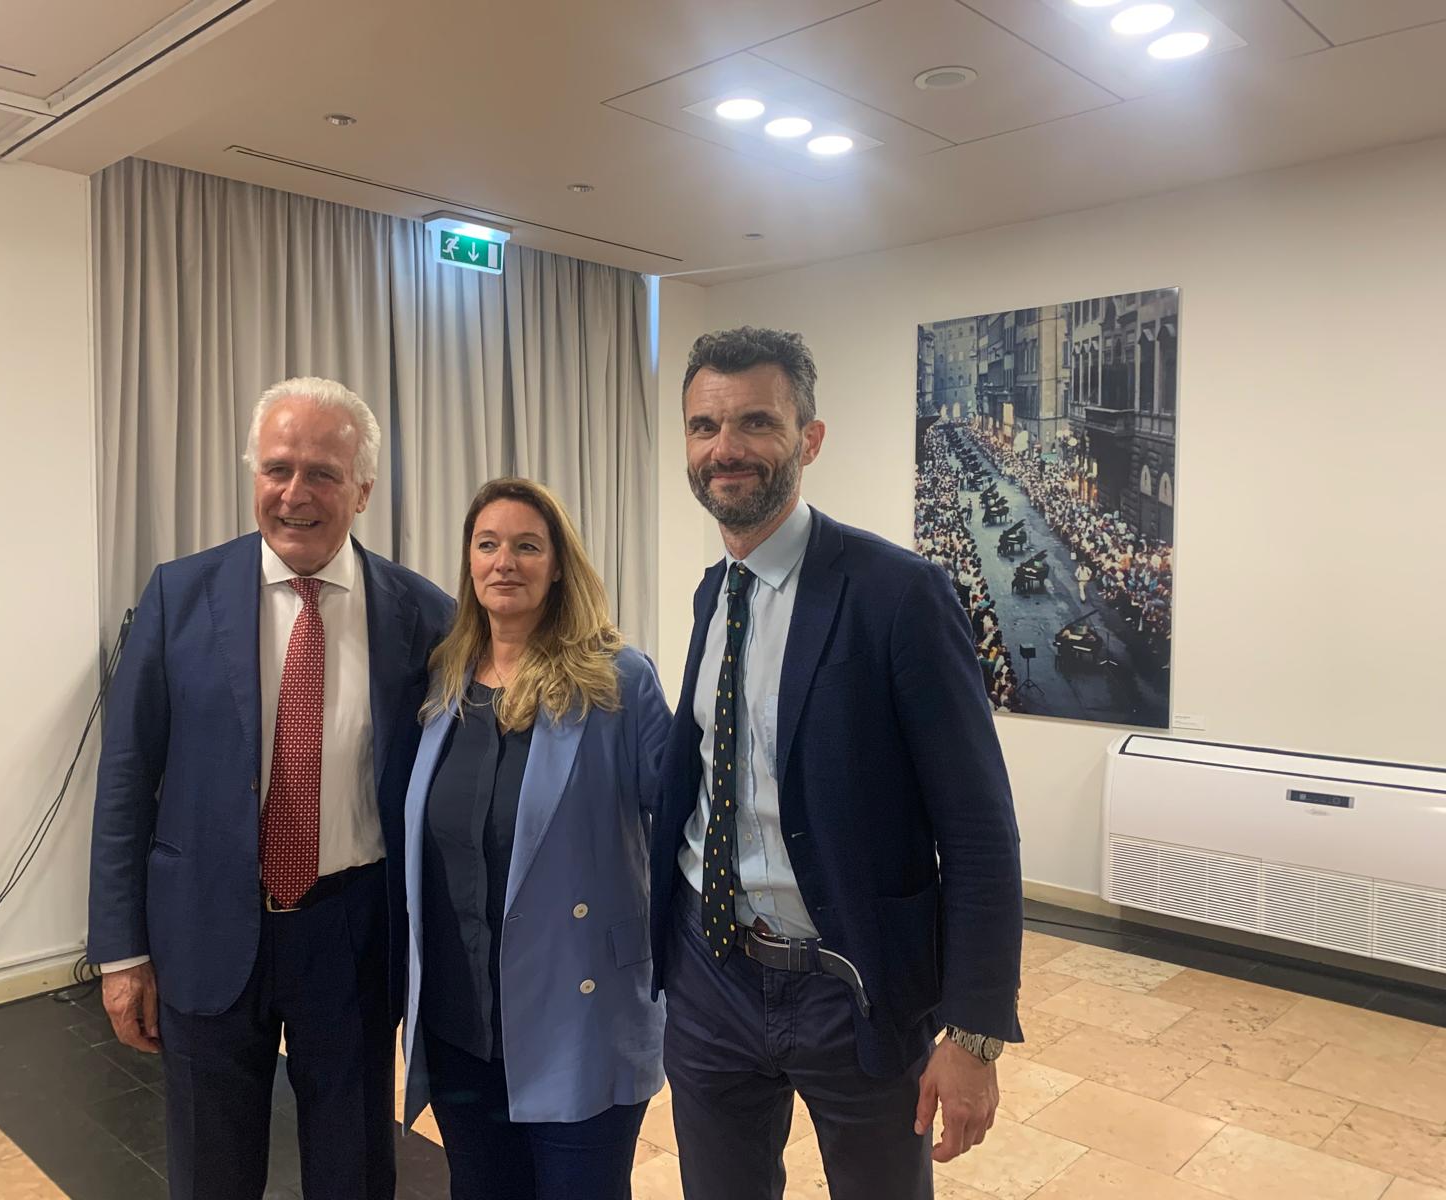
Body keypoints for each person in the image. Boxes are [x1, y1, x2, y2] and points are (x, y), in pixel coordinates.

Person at [649, 328, 1024, 1200]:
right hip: (711, 978)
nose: (725, 448)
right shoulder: (715, 593)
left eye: (756, 422)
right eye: (704, 426)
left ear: (809, 439)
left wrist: (974, 1035)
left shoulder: (899, 594)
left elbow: (978, 828)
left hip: (851, 989)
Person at [88, 377, 453, 1200]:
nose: (295, 494)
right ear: (254, 473)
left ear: (363, 489)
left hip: (351, 933)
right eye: (278, 468)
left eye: (323, 473)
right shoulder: (178, 595)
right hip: (205, 927)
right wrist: (122, 952)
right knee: (210, 1173)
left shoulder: (422, 616)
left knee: (354, 1168)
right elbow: (126, 782)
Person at [400, 477, 671, 1200]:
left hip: (579, 1016)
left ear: (557, 565)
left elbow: (683, 829)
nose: (505, 562)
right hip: (464, 1023)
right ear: (469, 562)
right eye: (488, 544)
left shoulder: (617, 681)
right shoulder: (444, 681)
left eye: (527, 546)